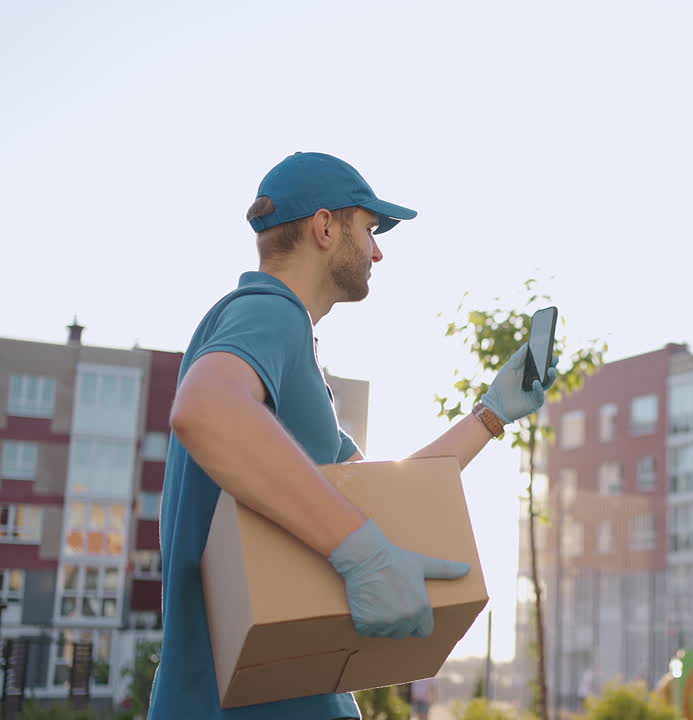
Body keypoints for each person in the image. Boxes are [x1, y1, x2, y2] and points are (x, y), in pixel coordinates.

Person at [149, 152, 556, 719]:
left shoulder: (294, 363)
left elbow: (383, 495)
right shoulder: (268, 311)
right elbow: (206, 409)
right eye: (369, 229)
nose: (379, 249)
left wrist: (490, 414)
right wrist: (363, 555)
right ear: (323, 227)